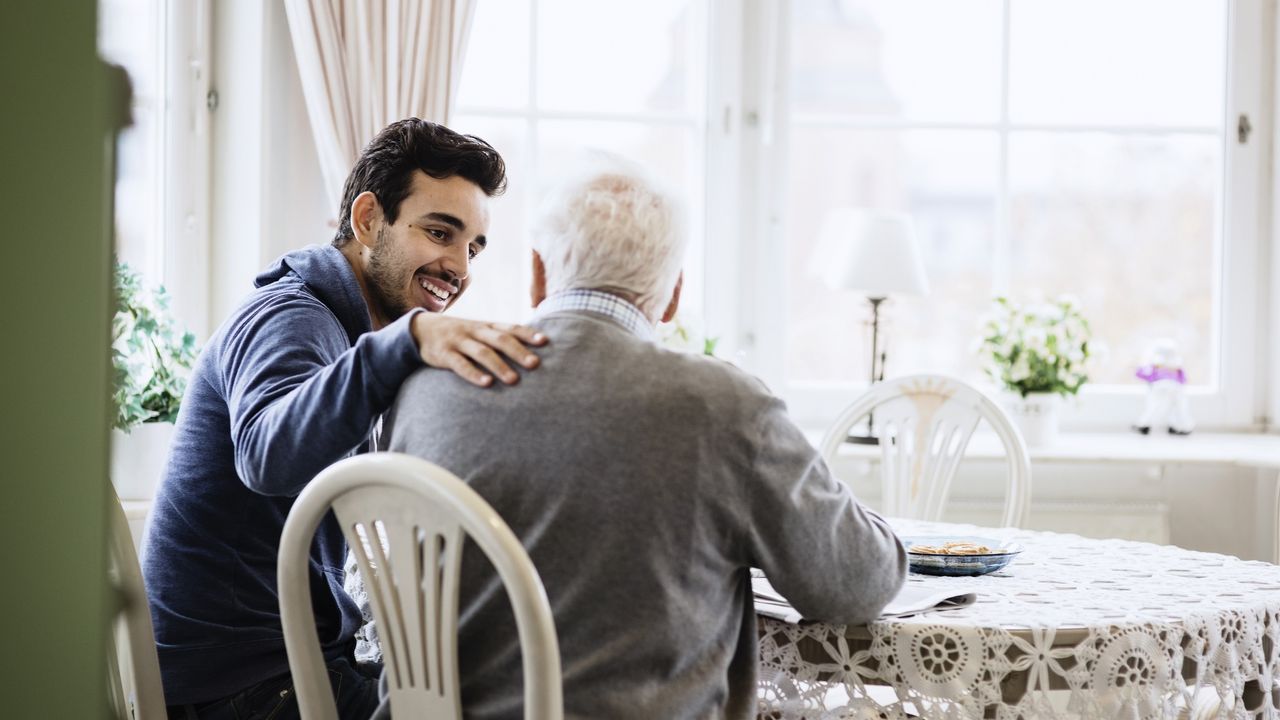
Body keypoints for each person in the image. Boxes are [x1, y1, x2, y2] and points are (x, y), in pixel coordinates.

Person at [380, 155, 908, 719]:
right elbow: (854, 585)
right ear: (673, 294)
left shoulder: (422, 388)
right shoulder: (724, 406)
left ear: (537, 273)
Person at [143, 118, 547, 719]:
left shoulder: (340, 324)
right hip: (242, 689)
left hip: (268, 668)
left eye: (473, 248)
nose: (459, 268)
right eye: (440, 232)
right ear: (366, 221)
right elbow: (266, 454)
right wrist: (406, 341)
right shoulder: (292, 315)